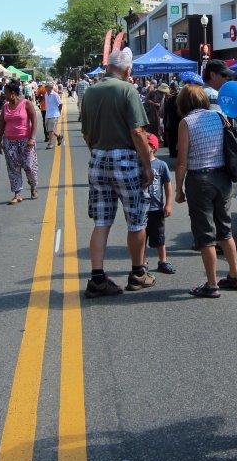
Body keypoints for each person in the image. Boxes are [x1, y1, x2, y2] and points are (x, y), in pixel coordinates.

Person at [79, 48, 155, 297]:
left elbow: (87, 133)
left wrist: (97, 151)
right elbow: (138, 132)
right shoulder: (127, 90)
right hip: (125, 160)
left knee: (101, 222)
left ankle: (97, 278)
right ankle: (137, 273)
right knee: (136, 220)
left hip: (98, 158)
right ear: (127, 69)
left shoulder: (90, 91)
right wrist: (147, 165)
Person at [176, 85, 237, 298]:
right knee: (225, 229)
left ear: (183, 103)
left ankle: (212, 283)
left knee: (205, 234)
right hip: (222, 178)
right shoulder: (220, 116)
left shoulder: (186, 123)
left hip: (200, 179)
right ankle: (234, 275)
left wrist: (178, 189)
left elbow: (181, 162)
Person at [0, 82, 39, 204]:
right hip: (9, 141)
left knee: (29, 166)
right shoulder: (5, 106)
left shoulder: (26, 103)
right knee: (13, 168)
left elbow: (34, 120)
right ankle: (17, 193)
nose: (3, 95)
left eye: (5, 92)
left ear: (13, 94)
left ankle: (33, 187)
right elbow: (1, 124)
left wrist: (32, 138)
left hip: (25, 140)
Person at [141, 133, 175, 275]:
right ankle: (141, 263)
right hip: (141, 209)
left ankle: (163, 261)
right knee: (141, 237)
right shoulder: (138, 164)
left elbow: (167, 185)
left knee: (159, 237)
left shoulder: (161, 165)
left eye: (146, 146)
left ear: (153, 148)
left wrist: (168, 204)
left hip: (156, 209)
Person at [44, 83, 63, 149]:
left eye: (47, 87)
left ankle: (50, 143)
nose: (45, 88)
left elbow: (60, 104)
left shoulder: (55, 95)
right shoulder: (46, 94)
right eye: (45, 86)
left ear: (51, 88)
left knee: (50, 130)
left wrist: (59, 112)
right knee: (48, 130)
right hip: (47, 114)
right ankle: (59, 136)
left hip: (54, 114)